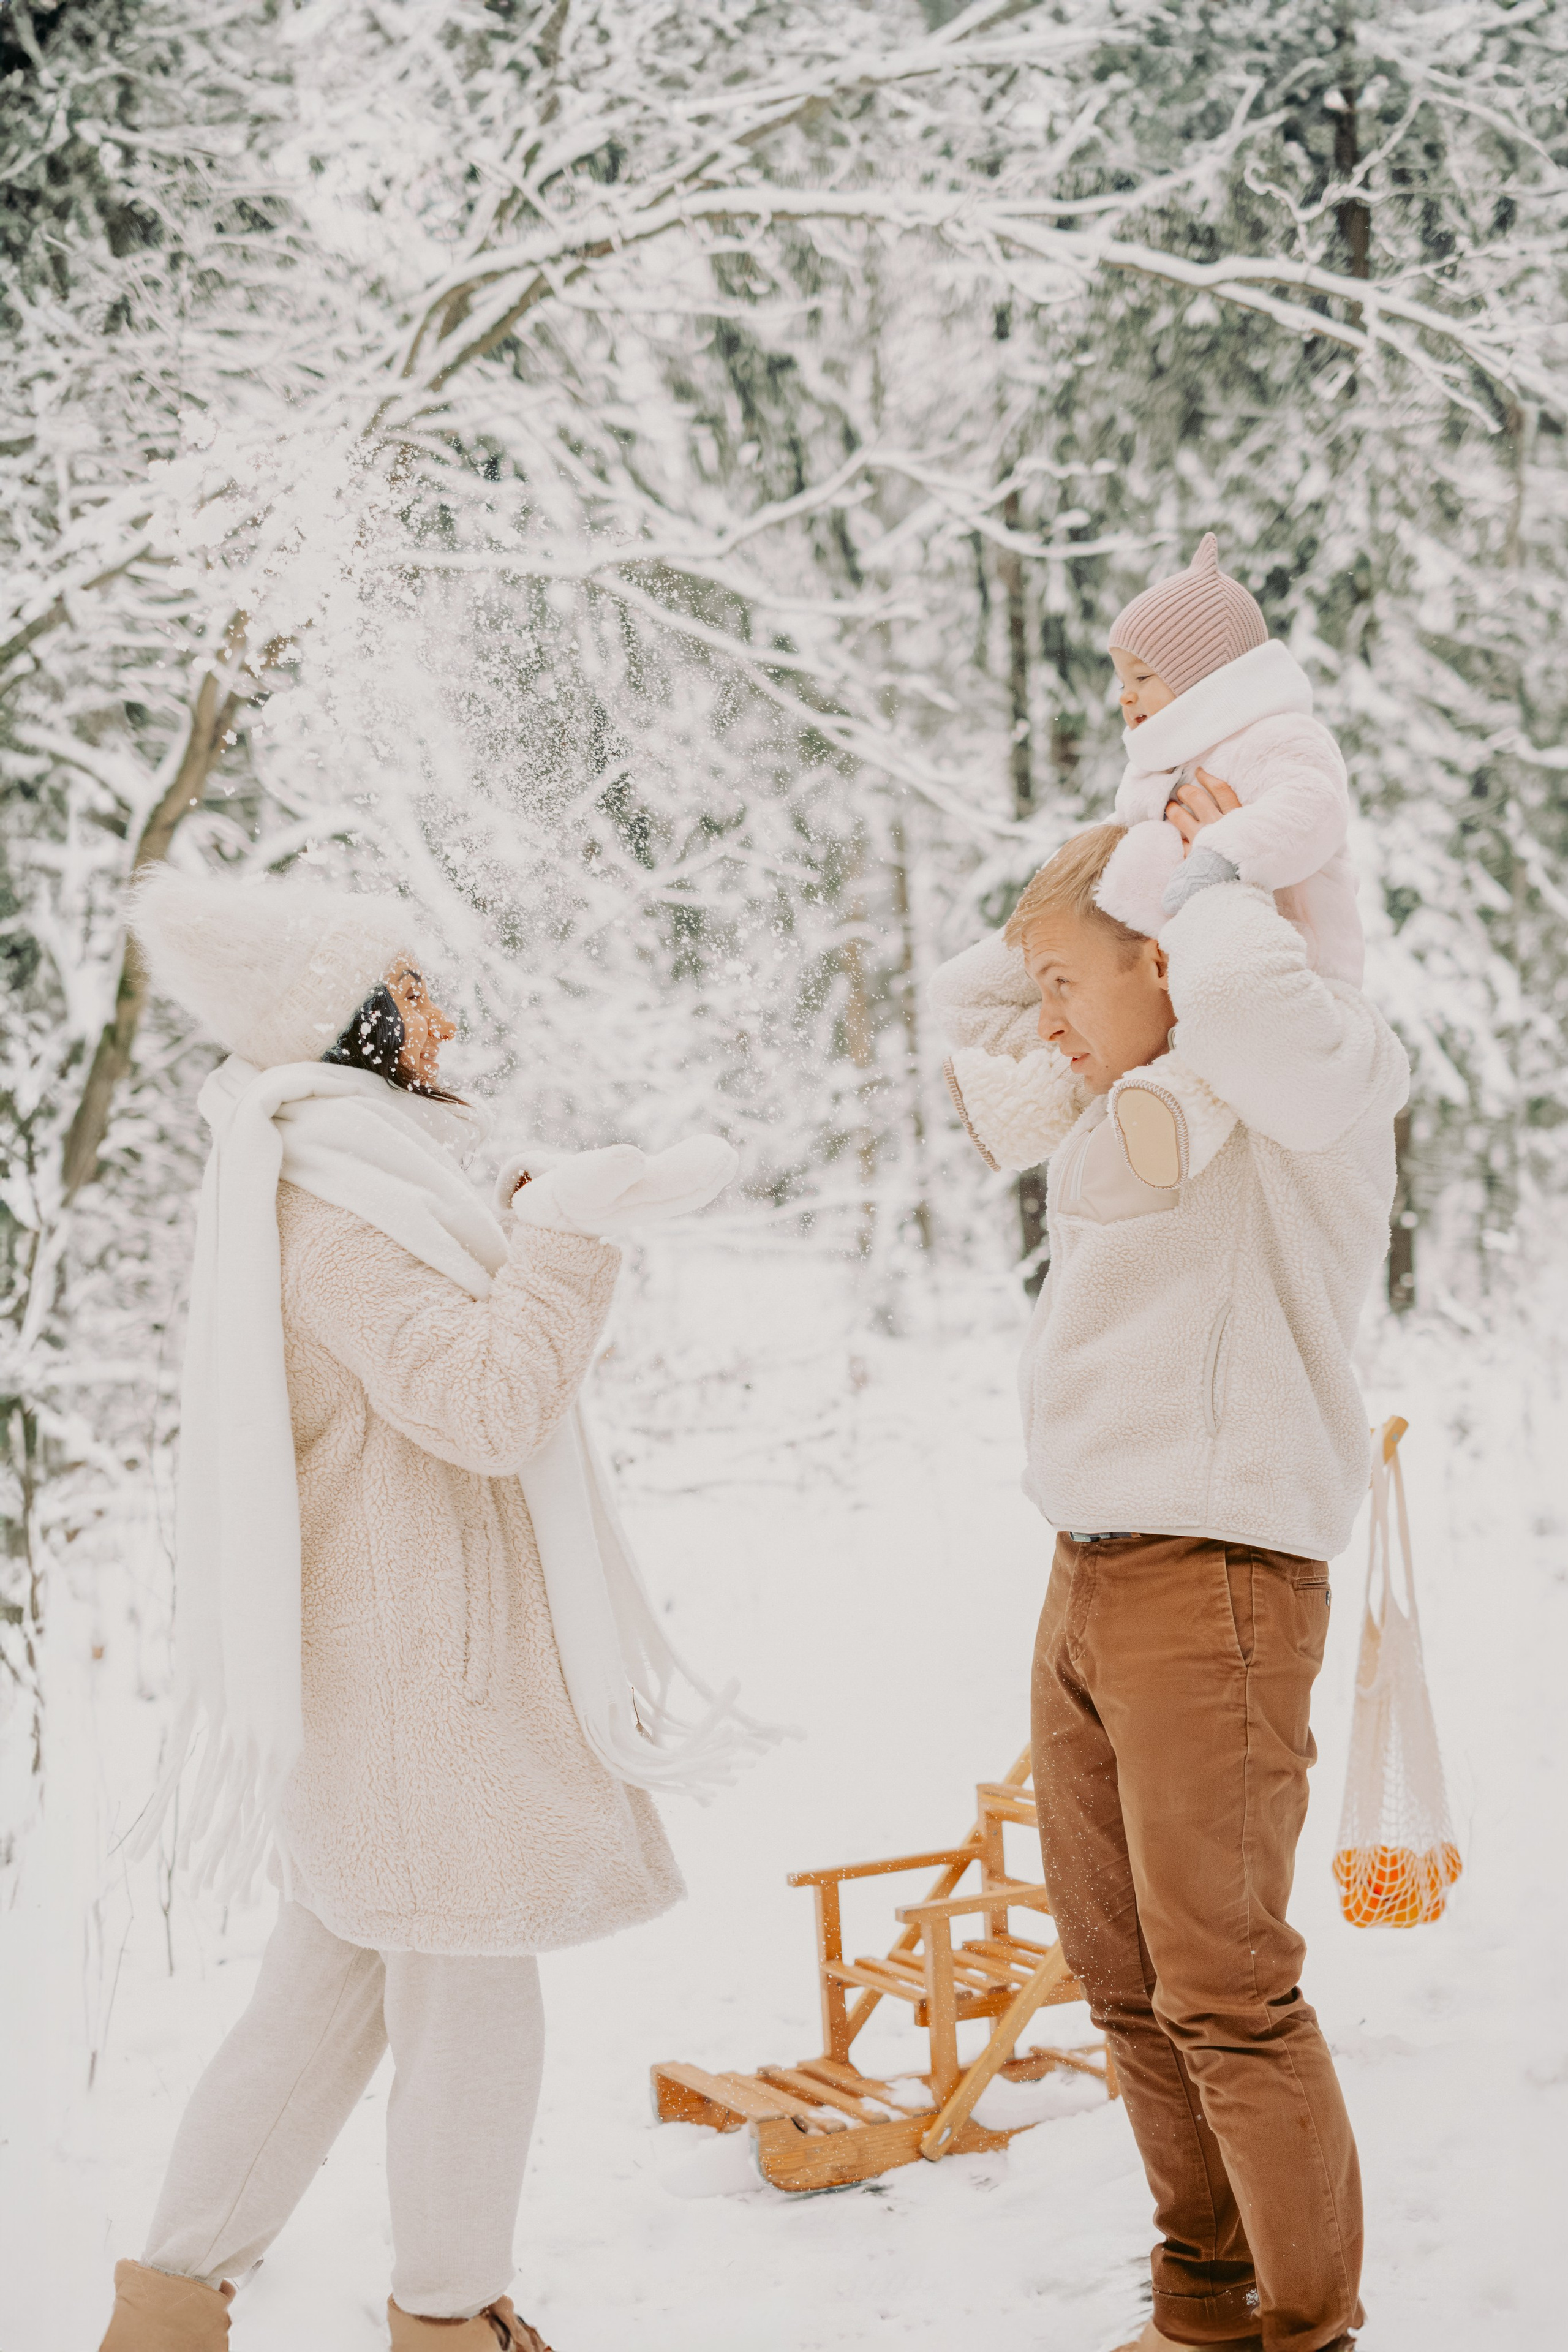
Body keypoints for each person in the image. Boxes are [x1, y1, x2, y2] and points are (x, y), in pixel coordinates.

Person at [96, 867, 767, 2351]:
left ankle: (162, 2312)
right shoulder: (339, 1217)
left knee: (317, 2006)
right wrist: (569, 1238)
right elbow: (483, 1400)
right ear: (352, 1026)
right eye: (411, 988)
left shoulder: (358, 1183)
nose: (447, 1013)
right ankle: (449, 2322)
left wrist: (534, 1216)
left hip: (387, 1679)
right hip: (420, 1689)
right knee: (470, 2011)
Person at [930, 804, 1409, 2352]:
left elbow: (1235, 991)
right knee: (1123, 1977)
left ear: (1172, 956)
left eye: (1072, 985)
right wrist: (1078, 939)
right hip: (1085, 1574)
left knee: (1224, 1991)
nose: (1045, 1021)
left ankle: (1306, 2325)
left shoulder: (1299, 1082)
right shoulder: (1118, 1094)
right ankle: (1201, 2309)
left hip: (1210, 1579)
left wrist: (1197, 876)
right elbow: (970, 1004)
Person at [1094, 532, 1363, 989]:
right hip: (1194, 972)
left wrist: (1221, 856)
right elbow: (1119, 842)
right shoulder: (1154, 770)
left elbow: (1311, 808)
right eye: (1121, 681)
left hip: (1300, 972)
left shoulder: (1276, 736)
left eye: (1142, 676)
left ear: (1204, 676)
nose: (1126, 695)